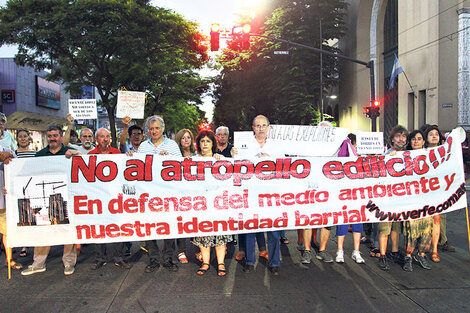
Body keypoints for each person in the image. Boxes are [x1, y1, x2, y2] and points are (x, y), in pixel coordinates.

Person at [21, 124, 81, 276]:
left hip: (67, 196)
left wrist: (76, 153)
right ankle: (38, 262)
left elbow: (84, 164)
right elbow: (28, 175)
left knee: (68, 229)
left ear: (61, 137)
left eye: (55, 135)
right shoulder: (40, 154)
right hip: (44, 197)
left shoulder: (68, 152)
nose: (52, 138)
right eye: (50, 136)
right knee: (42, 230)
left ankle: (68, 263)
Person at [133, 115, 180, 273]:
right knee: (148, 226)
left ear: (163, 129)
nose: (154, 131)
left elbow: (181, 167)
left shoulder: (172, 145)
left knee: (169, 226)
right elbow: (138, 168)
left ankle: (167, 258)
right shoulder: (143, 146)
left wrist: (170, 159)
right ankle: (153, 258)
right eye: (151, 129)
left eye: (157, 128)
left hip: (168, 194)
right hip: (148, 194)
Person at [242, 115, 282, 275]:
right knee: (250, 228)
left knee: (273, 230)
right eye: (257, 126)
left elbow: (283, 167)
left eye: (263, 125)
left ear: (268, 127)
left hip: (271, 193)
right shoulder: (244, 144)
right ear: (253, 128)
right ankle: (250, 261)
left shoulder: (276, 146)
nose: (261, 128)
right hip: (251, 192)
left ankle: (274, 262)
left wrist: (269, 160)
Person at [88, 128, 131, 270]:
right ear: (96, 139)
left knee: (117, 226)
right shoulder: (89, 155)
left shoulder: (117, 153)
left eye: (107, 136)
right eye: (102, 137)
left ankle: (119, 257)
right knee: (98, 228)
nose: (105, 139)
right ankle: (100, 258)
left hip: (114, 196)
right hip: (97, 198)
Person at [191, 130, 232, 276]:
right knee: (203, 233)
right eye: (202, 141)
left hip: (217, 202)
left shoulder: (219, 159)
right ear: (198, 144)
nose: (205, 144)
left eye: (208, 141)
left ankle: (221, 263)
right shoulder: (193, 160)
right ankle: (206, 262)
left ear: (212, 143)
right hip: (201, 204)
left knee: (219, 232)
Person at [377, 125, 408, 270]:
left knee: (397, 227)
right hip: (388, 198)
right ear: (392, 139)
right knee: (385, 227)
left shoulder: (410, 155)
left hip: (401, 199)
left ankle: (394, 252)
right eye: (397, 136)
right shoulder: (387, 155)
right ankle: (382, 255)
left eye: (403, 136)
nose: (400, 139)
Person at [424, 125, 455, 263]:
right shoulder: (420, 152)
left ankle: (436, 247)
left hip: (440, 192)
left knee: (438, 219)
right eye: (431, 134)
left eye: (437, 134)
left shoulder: (446, 153)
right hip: (424, 192)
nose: (434, 136)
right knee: (426, 220)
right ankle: (424, 247)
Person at [402, 130, 432, 271]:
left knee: (426, 229)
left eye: (419, 139)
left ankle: (421, 254)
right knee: (411, 230)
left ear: (423, 141)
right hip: (411, 201)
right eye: (413, 139)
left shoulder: (430, 156)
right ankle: (408, 256)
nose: (416, 141)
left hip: (427, 200)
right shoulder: (403, 157)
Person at [174, 128, 197, 263]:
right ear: (179, 140)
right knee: (181, 222)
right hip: (180, 193)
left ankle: (197, 249)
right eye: (183, 138)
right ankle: (181, 250)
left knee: (195, 221)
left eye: (188, 137)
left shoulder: (198, 155)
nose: (186, 140)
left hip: (195, 194)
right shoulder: (175, 155)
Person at [0, 149, 23, 270]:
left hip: (2, 201)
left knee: (6, 231)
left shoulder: (7, 153)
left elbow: (17, 169)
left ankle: (9, 259)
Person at [15, 128, 36, 257]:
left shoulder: (35, 154)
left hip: (33, 187)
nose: (22, 138)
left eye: (25, 136)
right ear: (17, 139)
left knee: (33, 215)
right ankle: (24, 244)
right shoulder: (13, 154)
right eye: (20, 136)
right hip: (19, 188)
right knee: (22, 216)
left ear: (29, 138)